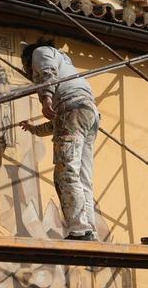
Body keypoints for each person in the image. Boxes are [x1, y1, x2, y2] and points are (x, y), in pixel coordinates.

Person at [18, 40, 99, 240]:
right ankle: (89, 229)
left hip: (73, 111)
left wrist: (45, 98)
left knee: (66, 172)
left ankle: (79, 229)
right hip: (87, 114)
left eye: (25, 66)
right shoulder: (67, 69)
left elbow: (47, 71)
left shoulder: (40, 52)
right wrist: (34, 129)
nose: (27, 71)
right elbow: (61, 122)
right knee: (82, 176)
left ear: (28, 59)